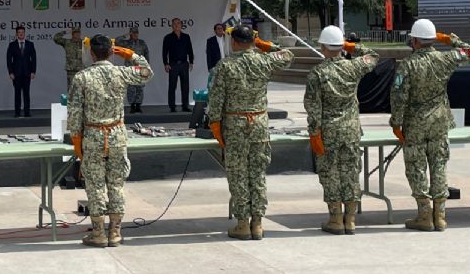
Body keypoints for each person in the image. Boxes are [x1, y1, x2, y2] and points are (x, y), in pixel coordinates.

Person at [207, 26, 294, 240]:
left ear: (234, 42)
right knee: (257, 175)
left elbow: (216, 100)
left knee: (238, 175)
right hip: (259, 125)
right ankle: (258, 223)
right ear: (252, 42)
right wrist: (265, 44)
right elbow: (288, 56)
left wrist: (215, 125)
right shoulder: (263, 61)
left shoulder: (225, 66)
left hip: (235, 125)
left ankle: (242, 224)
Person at [390, 19, 470, 232]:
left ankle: (424, 214)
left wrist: (396, 123)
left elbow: (398, 96)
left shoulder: (408, 65)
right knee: (439, 165)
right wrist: (449, 39)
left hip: (415, 123)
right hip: (439, 121)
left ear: (416, 40)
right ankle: (440, 216)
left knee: (416, 167)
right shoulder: (445, 59)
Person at [68, 35, 153, 247]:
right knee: (116, 184)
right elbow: (146, 73)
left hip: (93, 136)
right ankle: (115, 232)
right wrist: (130, 54)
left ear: (92, 53)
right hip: (116, 134)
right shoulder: (120, 73)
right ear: (111, 52)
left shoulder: (82, 77)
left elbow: (75, 114)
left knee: (95, 184)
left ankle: (98, 233)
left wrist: (77, 143)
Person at [304, 25, 378, 236]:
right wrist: (350, 46)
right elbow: (373, 55)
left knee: (331, 174)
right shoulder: (353, 67)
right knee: (351, 172)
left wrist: (314, 131)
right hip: (351, 129)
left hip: (328, 131)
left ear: (323, 46)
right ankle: (351, 220)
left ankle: (336, 219)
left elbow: (313, 106)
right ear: (340, 46)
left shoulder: (317, 73)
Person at [161, 18, 194, 112]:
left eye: (178, 23)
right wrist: (165, 64)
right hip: (173, 64)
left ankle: (185, 106)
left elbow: (190, 50)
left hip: (184, 64)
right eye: (174, 24)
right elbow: (164, 52)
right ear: (172, 26)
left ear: (181, 25)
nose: (176, 25)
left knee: (185, 86)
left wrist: (191, 62)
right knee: (172, 86)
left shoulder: (186, 37)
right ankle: (172, 106)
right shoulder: (168, 37)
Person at [115, 27, 150, 113]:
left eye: (136, 33)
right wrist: (126, 35)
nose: (135, 34)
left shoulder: (142, 43)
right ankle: (132, 106)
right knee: (131, 88)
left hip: (140, 67)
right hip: (130, 68)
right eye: (133, 33)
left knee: (140, 88)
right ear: (131, 34)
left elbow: (146, 53)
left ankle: (138, 105)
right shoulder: (126, 43)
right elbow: (117, 41)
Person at [6, 26, 36, 118]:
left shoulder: (30, 44)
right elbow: (8, 60)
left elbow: (34, 59)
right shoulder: (12, 45)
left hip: (27, 73)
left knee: (27, 93)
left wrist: (33, 71)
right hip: (16, 73)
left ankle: (27, 112)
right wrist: (10, 72)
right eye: (19, 32)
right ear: (16, 34)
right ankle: (17, 112)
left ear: (25, 33)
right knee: (17, 93)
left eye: (22, 32)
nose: (21, 34)